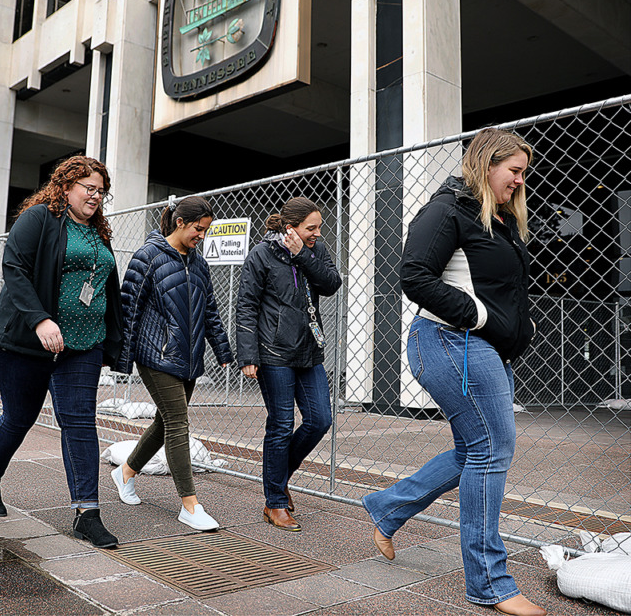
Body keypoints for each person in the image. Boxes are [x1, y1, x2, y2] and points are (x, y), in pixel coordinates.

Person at [361, 128, 545, 616]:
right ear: (487, 164)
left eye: (524, 172)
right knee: (492, 451)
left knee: (474, 450)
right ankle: (490, 583)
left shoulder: (499, 219)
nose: (521, 181)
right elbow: (413, 275)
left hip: (477, 347)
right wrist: (481, 317)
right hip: (450, 340)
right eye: (515, 171)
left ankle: (388, 507)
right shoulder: (448, 209)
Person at [0, 156, 123, 549]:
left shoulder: (98, 233)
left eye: (100, 190)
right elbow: (15, 267)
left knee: (79, 422)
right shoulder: (40, 218)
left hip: (83, 344)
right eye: (87, 188)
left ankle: (87, 514)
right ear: (66, 187)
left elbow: (106, 287)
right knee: (19, 417)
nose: (95, 196)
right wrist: (41, 319)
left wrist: (113, 343)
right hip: (26, 342)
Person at [111, 196, 234, 530]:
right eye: (198, 229)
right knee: (179, 422)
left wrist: (223, 352)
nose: (202, 237)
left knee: (166, 422)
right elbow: (128, 309)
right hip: (156, 355)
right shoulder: (148, 256)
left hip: (189, 357)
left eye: (206, 231)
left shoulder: (199, 263)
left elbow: (210, 311)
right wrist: (122, 361)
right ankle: (190, 505)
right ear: (180, 222)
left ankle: (125, 472)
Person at [235, 198, 342, 532]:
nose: (317, 233)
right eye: (311, 228)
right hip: (273, 352)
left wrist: (303, 254)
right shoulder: (261, 255)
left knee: (320, 419)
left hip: (309, 350)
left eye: (319, 227)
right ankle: (274, 502)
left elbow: (331, 283)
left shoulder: (314, 250)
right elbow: (246, 306)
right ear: (290, 226)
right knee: (281, 424)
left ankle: (278, 479)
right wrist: (248, 355)